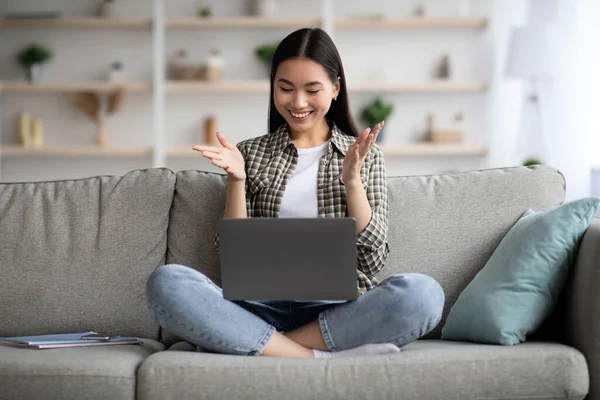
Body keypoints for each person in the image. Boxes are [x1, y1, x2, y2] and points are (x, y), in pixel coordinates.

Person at [146, 27, 445, 358]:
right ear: (273, 86)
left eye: (312, 90)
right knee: (167, 283)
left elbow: (371, 259)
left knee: (423, 294)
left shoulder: (363, 155)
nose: (298, 102)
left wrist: (352, 181)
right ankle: (314, 357)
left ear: (335, 88)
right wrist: (237, 179)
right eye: (285, 88)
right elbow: (233, 257)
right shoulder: (251, 152)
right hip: (256, 308)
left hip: (337, 311)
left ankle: (257, 344)